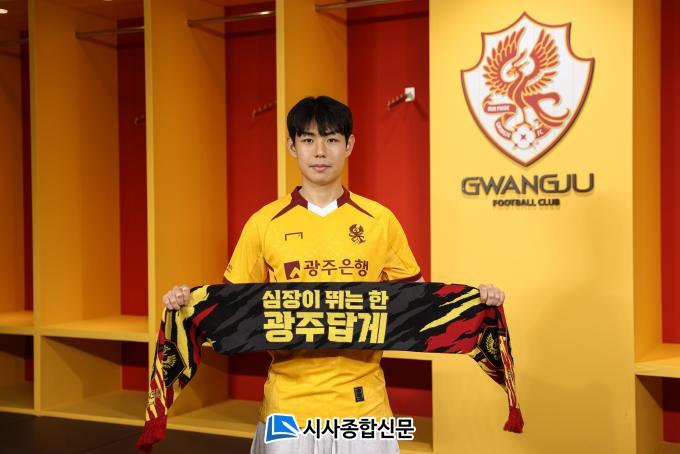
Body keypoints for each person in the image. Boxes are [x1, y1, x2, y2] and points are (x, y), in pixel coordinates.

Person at [162, 96, 506, 453]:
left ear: (349, 145)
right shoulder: (264, 223)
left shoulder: (379, 220)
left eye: (331, 139)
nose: (320, 151)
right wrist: (186, 303)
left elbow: (419, 304)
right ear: (292, 146)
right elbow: (229, 310)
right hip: (288, 405)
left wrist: (476, 303)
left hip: (365, 406)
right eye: (308, 139)